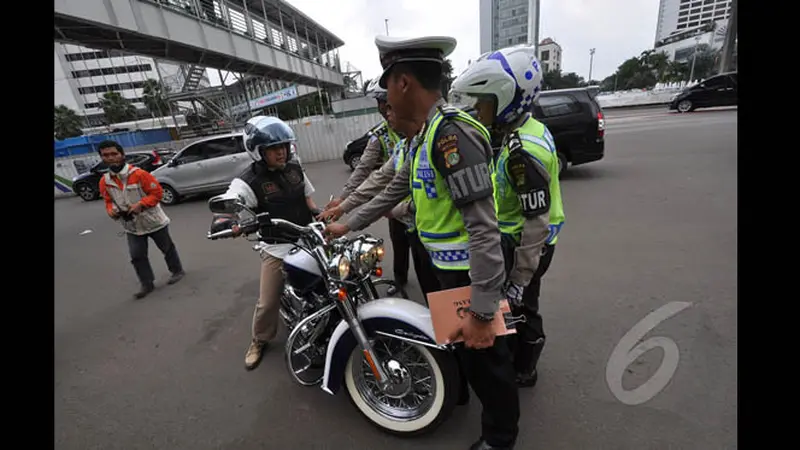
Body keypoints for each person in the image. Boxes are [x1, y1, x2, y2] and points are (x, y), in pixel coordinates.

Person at [324, 35, 519, 450]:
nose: (388, 95)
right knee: (456, 343)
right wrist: (346, 223)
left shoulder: (452, 136)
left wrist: (483, 310)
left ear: (404, 82)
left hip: (469, 270)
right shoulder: (423, 136)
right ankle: (461, 390)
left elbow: (483, 229)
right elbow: (393, 188)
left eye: (389, 82)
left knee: (487, 355)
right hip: (442, 265)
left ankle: (500, 438)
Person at [449, 45, 565, 388]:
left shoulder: (522, 153)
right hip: (522, 239)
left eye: (483, 101)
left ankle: (524, 368)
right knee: (523, 307)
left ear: (507, 100)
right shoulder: (527, 129)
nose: (477, 108)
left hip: (526, 245)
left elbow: (536, 223)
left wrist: (519, 278)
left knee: (523, 307)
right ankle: (521, 358)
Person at [220, 116, 321, 371]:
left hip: (306, 237)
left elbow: (307, 197)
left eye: (284, 146)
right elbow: (232, 199)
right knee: (267, 301)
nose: (281, 152)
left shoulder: (294, 168)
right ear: (258, 151)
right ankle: (259, 340)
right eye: (275, 148)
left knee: (333, 278)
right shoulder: (248, 180)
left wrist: (320, 214)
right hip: (277, 247)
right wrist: (226, 219)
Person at [318, 105, 441, 298]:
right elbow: (379, 183)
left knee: (451, 302)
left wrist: (400, 208)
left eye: (391, 108)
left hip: (447, 246)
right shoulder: (406, 148)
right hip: (417, 227)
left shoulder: (437, 139)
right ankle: (401, 284)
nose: (386, 114)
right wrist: (343, 208)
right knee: (433, 296)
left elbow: (436, 199)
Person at [325, 79, 410, 294]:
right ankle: (400, 281)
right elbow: (368, 173)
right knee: (400, 246)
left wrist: (347, 220)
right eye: (383, 106)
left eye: (386, 104)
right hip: (395, 201)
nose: (383, 110)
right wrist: (343, 201)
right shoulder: (388, 139)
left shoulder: (425, 135)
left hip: (418, 210)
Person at [97, 140, 185, 299]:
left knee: (167, 248)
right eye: (106, 155)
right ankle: (147, 283)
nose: (111, 158)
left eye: (114, 154)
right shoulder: (105, 181)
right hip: (132, 225)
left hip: (153, 221)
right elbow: (108, 201)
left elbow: (157, 193)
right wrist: (112, 212)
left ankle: (177, 271)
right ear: (102, 158)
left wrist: (141, 205)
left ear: (122, 155)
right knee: (137, 255)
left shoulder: (139, 174)